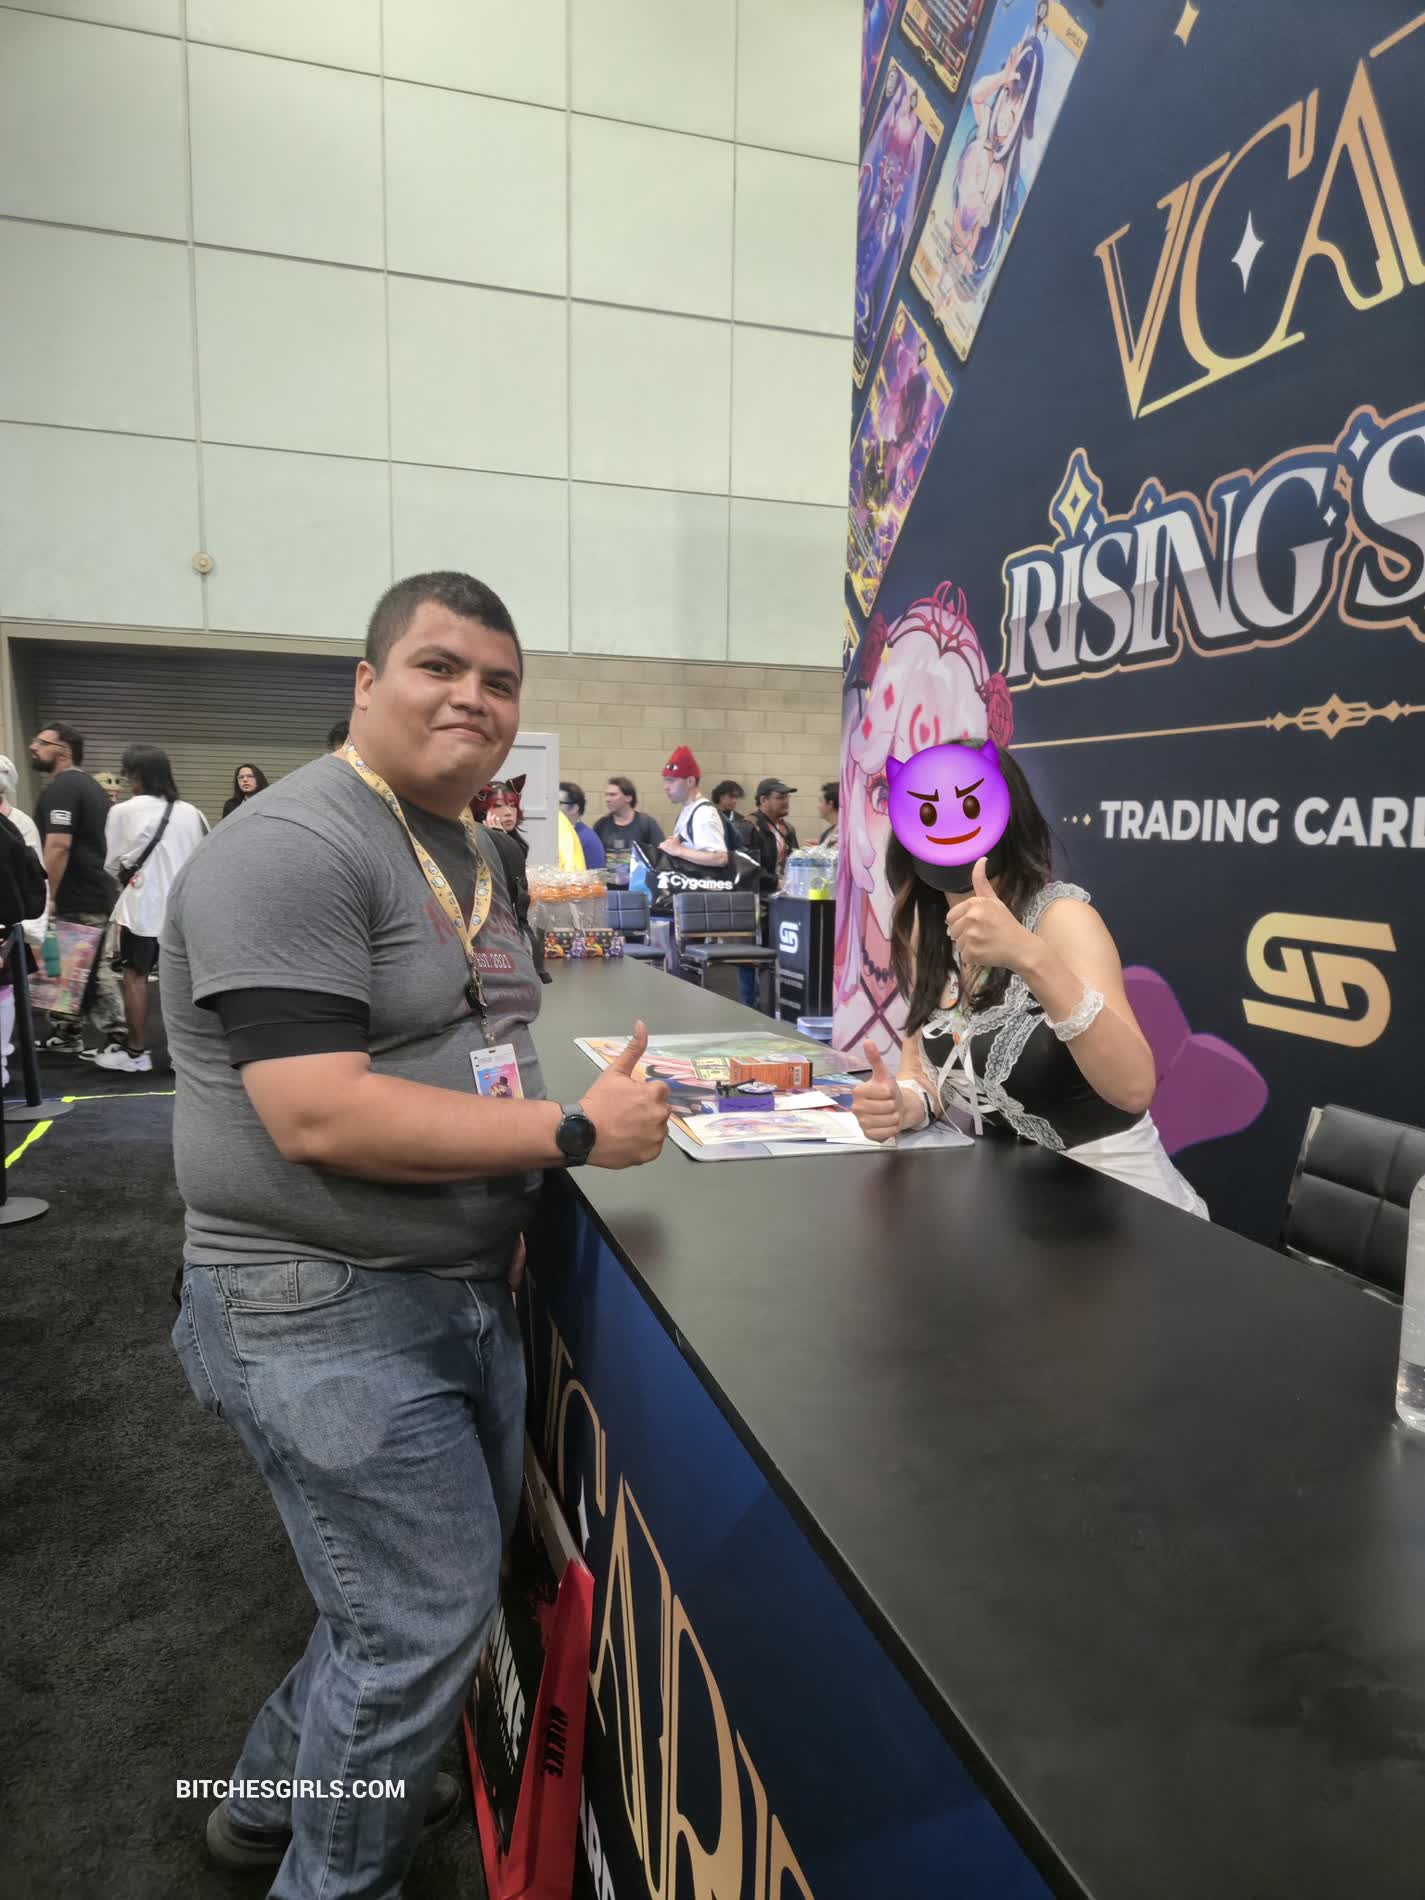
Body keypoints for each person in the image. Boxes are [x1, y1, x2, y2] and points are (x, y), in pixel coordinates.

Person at [163, 570, 670, 1896]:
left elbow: (478, 1035)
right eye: (439, 667)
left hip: (447, 1286)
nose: (473, 699)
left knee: (397, 1607)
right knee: (418, 1621)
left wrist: (521, 1176)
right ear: (365, 682)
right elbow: (318, 1113)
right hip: (320, 1297)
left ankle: (263, 1808)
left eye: (499, 682)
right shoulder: (292, 845)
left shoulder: (473, 850)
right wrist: (571, 1134)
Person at [849, 747, 1207, 1217]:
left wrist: (1031, 957)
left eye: (969, 806)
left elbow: (1133, 1088)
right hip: (1015, 1211)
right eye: (929, 813)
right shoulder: (930, 929)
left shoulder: (1062, 919)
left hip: (1122, 1205)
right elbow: (923, 1072)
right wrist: (904, 1103)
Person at [94, 745, 208, 1073]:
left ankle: (136, 1053)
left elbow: (111, 863)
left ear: (135, 775)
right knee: (185, 983)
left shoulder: (123, 812)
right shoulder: (192, 812)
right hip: (187, 911)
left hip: (142, 909)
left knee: (136, 978)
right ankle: (184, 1057)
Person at [29, 720, 124, 1054]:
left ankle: (118, 1038)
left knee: (87, 967)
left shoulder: (65, 788)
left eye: (42, 742)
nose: (33, 747)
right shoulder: (89, 788)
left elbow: (58, 845)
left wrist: (47, 895)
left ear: (64, 751)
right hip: (92, 891)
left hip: (79, 894)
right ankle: (67, 1032)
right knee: (67, 965)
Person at [0, 756, 48, 1088]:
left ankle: (2, 1058)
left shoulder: (20, 823)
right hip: (9, 920)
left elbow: (34, 879)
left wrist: (31, 930)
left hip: (7, 922)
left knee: (4, 988)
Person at [593, 777, 663, 888]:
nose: (607, 799)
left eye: (613, 795)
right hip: (609, 891)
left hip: (639, 890)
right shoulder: (601, 825)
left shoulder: (647, 823)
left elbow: (660, 857)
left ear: (628, 798)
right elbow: (594, 863)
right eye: (606, 795)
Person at [558, 783, 606, 870]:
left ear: (574, 808)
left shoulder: (588, 839)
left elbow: (596, 875)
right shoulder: (560, 834)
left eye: (558, 803)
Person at [818, 781, 840, 847]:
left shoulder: (846, 834)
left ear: (830, 804)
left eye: (821, 801)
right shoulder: (827, 834)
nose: (818, 806)